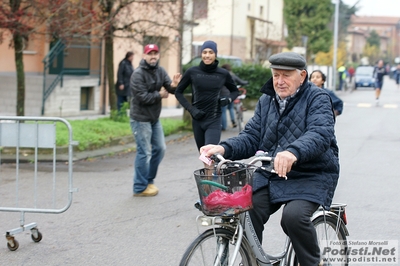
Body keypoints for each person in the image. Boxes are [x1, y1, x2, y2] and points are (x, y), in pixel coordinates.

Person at [200, 52, 339, 266]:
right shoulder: (267, 100)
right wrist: (223, 148)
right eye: (276, 75)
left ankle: (314, 262)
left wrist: (293, 152)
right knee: (246, 209)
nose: (279, 81)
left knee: (293, 217)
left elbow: (320, 133)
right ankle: (252, 261)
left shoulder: (318, 98)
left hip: (311, 173)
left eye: (286, 75)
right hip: (272, 172)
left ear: (302, 76)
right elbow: (252, 136)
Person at [130, 44, 182, 197]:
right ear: (144, 56)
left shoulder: (160, 71)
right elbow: (142, 97)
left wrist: (173, 85)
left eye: (155, 53)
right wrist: (159, 94)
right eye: (149, 53)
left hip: (154, 118)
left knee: (160, 148)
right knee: (144, 152)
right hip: (140, 119)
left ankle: (149, 180)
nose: (153, 56)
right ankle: (139, 188)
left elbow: (170, 90)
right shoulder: (138, 74)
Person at [175, 40, 239, 152]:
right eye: (204, 52)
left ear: (215, 54)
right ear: (201, 54)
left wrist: (227, 100)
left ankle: (212, 170)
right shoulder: (192, 72)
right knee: (203, 156)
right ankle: (210, 170)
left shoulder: (223, 73)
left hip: (214, 119)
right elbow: (178, 92)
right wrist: (191, 109)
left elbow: (235, 91)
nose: (207, 55)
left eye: (210, 52)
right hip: (197, 119)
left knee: (210, 154)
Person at [220, 63, 248, 130]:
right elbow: (242, 82)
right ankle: (233, 122)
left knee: (223, 111)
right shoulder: (233, 76)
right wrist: (247, 82)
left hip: (223, 94)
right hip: (232, 95)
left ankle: (223, 126)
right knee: (231, 108)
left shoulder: (221, 76)